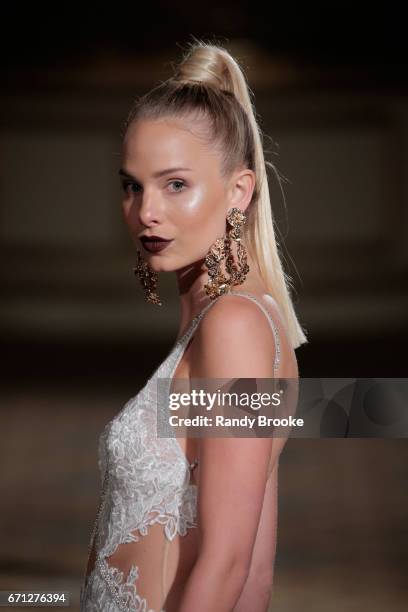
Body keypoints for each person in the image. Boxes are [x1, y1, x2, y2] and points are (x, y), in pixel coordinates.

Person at [80, 38, 307, 612]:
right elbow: (254, 569)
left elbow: (230, 564)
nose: (145, 211)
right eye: (133, 185)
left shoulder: (234, 326)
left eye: (175, 184)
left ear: (239, 192)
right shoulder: (222, 319)